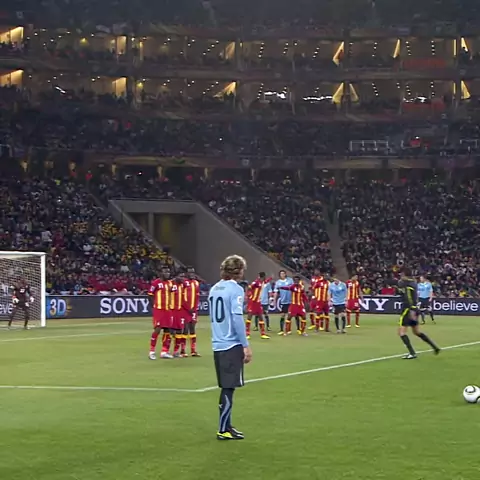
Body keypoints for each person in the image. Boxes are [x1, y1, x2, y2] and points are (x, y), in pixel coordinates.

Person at [209, 254, 252, 441]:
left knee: (227, 387)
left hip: (218, 343)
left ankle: (227, 426)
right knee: (228, 388)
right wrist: (245, 345)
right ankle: (223, 429)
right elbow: (236, 318)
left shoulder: (214, 288)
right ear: (239, 271)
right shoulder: (236, 289)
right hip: (230, 344)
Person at [398, 268, 440, 360]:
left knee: (401, 332)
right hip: (415, 309)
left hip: (408, 310)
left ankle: (412, 353)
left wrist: (411, 310)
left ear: (404, 274)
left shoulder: (406, 284)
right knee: (416, 332)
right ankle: (434, 347)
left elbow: (409, 298)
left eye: (401, 274)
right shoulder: (413, 283)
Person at [148, 266, 173, 360]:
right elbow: (150, 295)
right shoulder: (156, 283)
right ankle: (152, 351)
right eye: (165, 272)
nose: (167, 274)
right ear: (161, 273)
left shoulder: (170, 283)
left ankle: (164, 351)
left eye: (168, 272)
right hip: (159, 310)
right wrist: (154, 306)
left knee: (167, 330)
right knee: (157, 330)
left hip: (168, 310)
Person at [180, 266, 201, 357]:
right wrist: (188, 308)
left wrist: (195, 309)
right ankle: (183, 351)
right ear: (186, 274)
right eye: (190, 272)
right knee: (185, 329)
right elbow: (181, 297)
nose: (192, 274)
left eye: (193, 272)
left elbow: (197, 297)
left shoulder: (196, 283)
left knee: (192, 329)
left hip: (193, 310)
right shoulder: (183, 283)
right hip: (185, 310)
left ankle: (193, 350)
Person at [246, 272, 270, 340]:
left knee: (260, 317)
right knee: (249, 317)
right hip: (253, 302)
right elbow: (249, 287)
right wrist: (249, 295)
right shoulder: (256, 282)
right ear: (263, 276)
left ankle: (263, 334)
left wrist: (271, 278)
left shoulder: (262, 282)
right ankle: (247, 334)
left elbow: (266, 281)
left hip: (258, 302)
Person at [171, 272, 188, 358]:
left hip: (180, 311)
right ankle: (165, 350)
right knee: (170, 331)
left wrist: (188, 309)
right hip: (171, 311)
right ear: (176, 277)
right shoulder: (170, 284)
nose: (183, 278)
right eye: (181, 276)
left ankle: (176, 351)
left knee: (179, 330)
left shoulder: (182, 286)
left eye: (184, 277)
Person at [274, 270, 293, 335]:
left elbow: (294, 289)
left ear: (285, 274)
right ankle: (281, 330)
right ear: (279, 275)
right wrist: (274, 300)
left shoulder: (290, 280)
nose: (282, 275)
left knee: (289, 315)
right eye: (281, 274)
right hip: (283, 301)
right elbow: (276, 292)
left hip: (290, 300)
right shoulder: (278, 282)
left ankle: (289, 330)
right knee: (282, 315)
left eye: (283, 273)